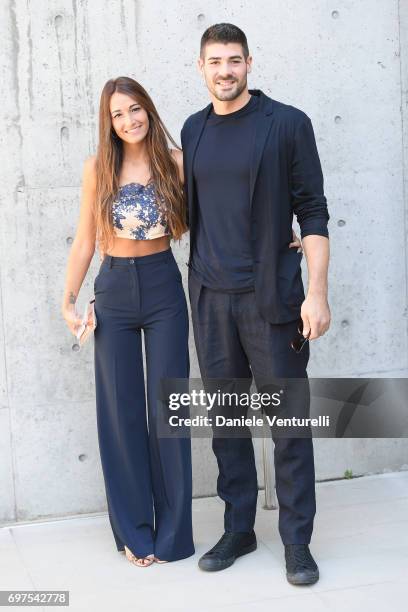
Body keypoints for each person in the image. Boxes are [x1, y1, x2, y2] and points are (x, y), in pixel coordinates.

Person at [180, 23, 330, 585]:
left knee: (288, 424)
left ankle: (297, 541)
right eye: (215, 61)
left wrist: (316, 292)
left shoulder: (287, 124)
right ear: (200, 67)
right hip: (210, 299)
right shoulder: (193, 130)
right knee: (225, 422)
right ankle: (239, 526)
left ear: (249, 64)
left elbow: (312, 211)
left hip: (272, 301)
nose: (225, 70)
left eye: (234, 60)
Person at [61, 76, 194, 567]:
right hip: (113, 287)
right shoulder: (98, 168)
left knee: (170, 409)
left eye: (136, 109)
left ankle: (175, 535)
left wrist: (281, 233)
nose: (129, 120)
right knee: (121, 414)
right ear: (108, 121)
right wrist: (69, 300)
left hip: (163, 285)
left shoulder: (176, 161)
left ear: (149, 109)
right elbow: (84, 241)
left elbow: (220, 213)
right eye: (118, 114)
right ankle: (135, 532)